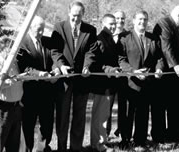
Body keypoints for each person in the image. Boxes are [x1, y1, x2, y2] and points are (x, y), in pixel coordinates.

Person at [50, 1, 100, 151]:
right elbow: (55, 50)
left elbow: (92, 52)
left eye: (79, 16)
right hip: (64, 80)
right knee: (62, 115)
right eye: (73, 16)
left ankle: (76, 147)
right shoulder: (59, 27)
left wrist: (86, 66)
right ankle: (61, 147)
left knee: (79, 116)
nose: (75, 19)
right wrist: (60, 65)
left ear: (83, 15)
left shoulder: (90, 30)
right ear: (68, 13)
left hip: (82, 80)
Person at [118, 10, 164, 146]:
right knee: (128, 114)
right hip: (130, 83)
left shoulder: (153, 38)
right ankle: (125, 140)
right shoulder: (125, 37)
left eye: (145, 19)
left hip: (148, 83)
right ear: (133, 21)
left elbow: (159, 58)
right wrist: (133, 71)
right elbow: (121, 60)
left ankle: (140, 140)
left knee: (142, 113)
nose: (142, 22)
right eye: (139, 19)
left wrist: (159, 68)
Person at [17, 16, 61, 152]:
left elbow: (54, 57)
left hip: (47, 91)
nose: (41, 32)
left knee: (47, 124)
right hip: (30, 92)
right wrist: (39, 74)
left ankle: (43, 148)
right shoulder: (22, 43)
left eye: (43, 29)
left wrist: (56, 69)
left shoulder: (47, 41)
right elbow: (23, 67)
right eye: (38, 29)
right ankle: (27, 149)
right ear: (30, 27)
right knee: (28, 125)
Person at [152, 5, 179, 142]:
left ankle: (173, 134)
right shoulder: (165, 23)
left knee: (175, 105)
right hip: (165, 72)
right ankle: (159, 136)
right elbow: (166, 47)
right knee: (161, 106)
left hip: (177, 73)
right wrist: (175, 65)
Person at [88, 14, 120, 152]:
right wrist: (111, 69)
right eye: (110, 24)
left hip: (109, 83)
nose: (113, 26)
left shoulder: (109, 39)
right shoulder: (100, 40)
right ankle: (97, 144)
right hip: (101, 84)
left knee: (104, 115)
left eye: (114, 24)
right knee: (99, 116)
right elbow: (96, 64)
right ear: (103, 24)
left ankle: (102, 141)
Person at [0, 37, 23, 152]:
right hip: (0, 111)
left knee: (13, 147)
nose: (15, 53)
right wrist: (8, 82)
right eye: (11, 50)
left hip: (16, 109)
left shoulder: (15, 64)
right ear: (2, 49)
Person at [109, 10, 129, 138]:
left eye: (122, 18)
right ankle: (105, 132)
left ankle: (122, 130)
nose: (120, 21)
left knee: (123, 106)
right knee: (107, 106)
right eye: (117, 18)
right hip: (110, 75)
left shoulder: (129, 36)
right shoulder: (108, 35)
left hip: (124, 76)